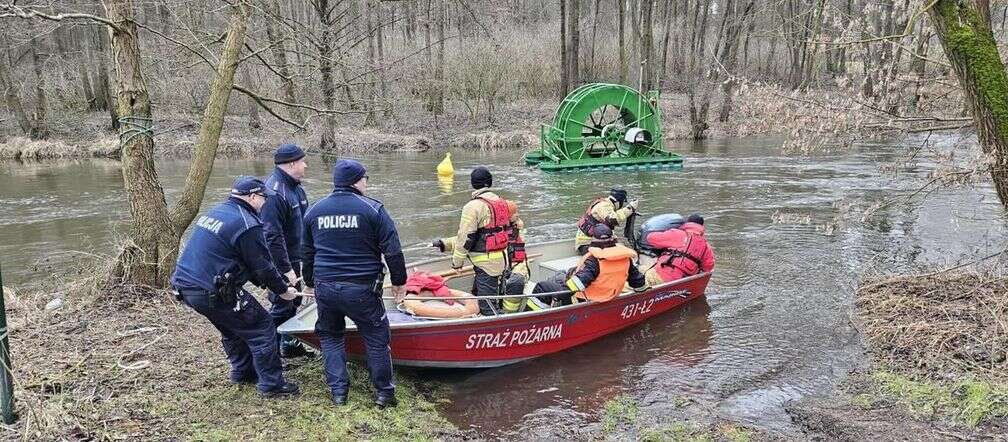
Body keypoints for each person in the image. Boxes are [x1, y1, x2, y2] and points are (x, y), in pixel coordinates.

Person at [170, 176, 300, 398]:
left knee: (232, 328)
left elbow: (240, 260)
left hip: (185, 286)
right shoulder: (247, 224)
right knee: (262, 327)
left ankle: (243, 372)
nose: (265, 203)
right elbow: (262, 266)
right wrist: (283, 290)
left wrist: (270, 283)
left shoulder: (216, 212)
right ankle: (272, 385)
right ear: (252, 197)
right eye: (263, 198)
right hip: (212, 290)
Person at [302, 159, 407, 408]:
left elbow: (306, 252)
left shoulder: (315, 210)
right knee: (376, 338)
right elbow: (392, 251)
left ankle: (339, 393)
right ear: (358, 181)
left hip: (325, 286)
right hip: (362, 288)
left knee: (330, 336)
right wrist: (399, 282)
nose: (366, 183)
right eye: (365, 179)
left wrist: (309, 283)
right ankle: (384, 394)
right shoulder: (372, 209)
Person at [433, 198, 529, 314]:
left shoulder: (514, 229)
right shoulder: (496, 229)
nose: (518, 215)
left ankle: (509, 315)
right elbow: (467, 240)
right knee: (482, 276)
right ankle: (478, 306)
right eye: (515, 213)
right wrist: (444, 244)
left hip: (517, 267)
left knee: (515, 282)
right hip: (499, 267)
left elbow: (470, 240)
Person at [262, 143, 313, 358]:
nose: (305, 165)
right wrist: (286, 270)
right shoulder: (274, 193)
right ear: (291, 163)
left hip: (297, 255)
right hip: (282, 259)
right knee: (283, 302)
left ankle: (290, 345)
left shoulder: (296, 188)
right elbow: (271, 236)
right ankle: (268, 354)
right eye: (302, 162)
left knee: (294, 301)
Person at [447, 166, 520, 316]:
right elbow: (512, 229)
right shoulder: (503, 203)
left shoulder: (473, 207)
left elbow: (465, 237)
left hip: (485, 263)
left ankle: (494, 329)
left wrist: (457, 263)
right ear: (490, 183)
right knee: (487, 296)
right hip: (503, 259)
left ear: (473, 184)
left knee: (488, 307)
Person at [529, 225, 646, 309]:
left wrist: (562, 292)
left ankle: (532, 320)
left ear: (594, 240)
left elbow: (577, 284)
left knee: (543, 286)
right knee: (562, 274)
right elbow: (638, 282)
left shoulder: (595, 261)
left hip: (585, 300)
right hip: (608, 295)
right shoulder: (625, 259)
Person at [644, 213, 716, 285]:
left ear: (687, 223)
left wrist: (666, 231)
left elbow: (650, 238)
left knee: (641, 269)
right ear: (702, 226)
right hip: (682, 283)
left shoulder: (676, 233)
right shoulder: (706, 246)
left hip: (660, 276)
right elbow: (708, 267)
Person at [575, 188, 639, 255]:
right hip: (586, 245)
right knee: (622, 253)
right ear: (619, 201)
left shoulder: (605, 204)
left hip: (593, 242)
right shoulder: (604, 205)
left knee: (622, 245)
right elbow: (613, 220)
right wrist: (630, 208)